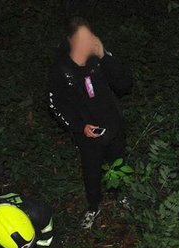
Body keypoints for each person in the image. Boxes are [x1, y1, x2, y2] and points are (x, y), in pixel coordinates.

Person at [48, 17, 133, 229]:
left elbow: (124, 84)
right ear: (70, 40)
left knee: (118, 162)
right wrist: (79, 126)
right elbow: (55, 105)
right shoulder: (60, 68)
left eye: (88, 37)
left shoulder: (100, 57)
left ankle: (120, 195)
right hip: (87, 133)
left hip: (113, 124)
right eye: (80, 39)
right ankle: (94, 205)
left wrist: (104, 55)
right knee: (91, 170)